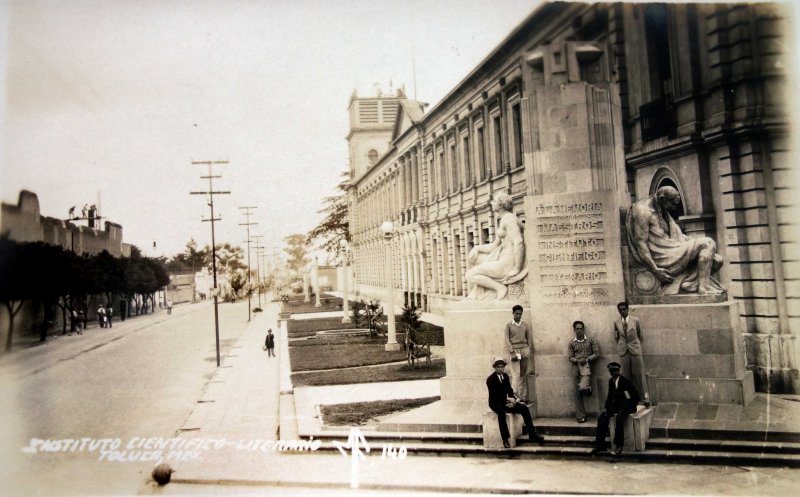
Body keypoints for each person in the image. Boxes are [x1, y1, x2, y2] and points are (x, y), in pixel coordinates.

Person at [626, 185, 724, 295]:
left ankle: (690, 283)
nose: (674, 207)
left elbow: (679, 235)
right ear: (662, 198)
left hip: (673, 248)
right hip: (661, 256)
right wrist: (655, 269)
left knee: (717, 260)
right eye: (672, 203)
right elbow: (640, 242)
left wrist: (691, 242)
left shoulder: (661, 209)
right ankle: (704, 287)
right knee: (708, 243)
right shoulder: (643, 211)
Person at [466, 192, 527, 300]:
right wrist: (477, 248)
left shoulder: (509, 219)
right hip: (502, 259)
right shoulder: (504, 219)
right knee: (476, 258)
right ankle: (482, 293)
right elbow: (494, 246)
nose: (492, 203)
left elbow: (519, 242)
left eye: (494, 201)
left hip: (507, 263)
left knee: (470, 275)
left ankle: (500, 288)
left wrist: (517, 268)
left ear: (501, 205)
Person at [486, 357, 544, 449]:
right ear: (495, 368)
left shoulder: (505, 376)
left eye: (502, 367)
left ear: (504, 367)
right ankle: (505, 439)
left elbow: (510, 391)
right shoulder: (490, 379)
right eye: (498, 367)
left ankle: (532, 434)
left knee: (524, 408)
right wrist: (508, 400)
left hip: (506, 401)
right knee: (501, 412)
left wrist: (513, 400)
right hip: (495, 403)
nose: (500, 369)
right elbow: (495, 396)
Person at [592, 362, 640, 455]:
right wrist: (606, 408)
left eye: (615, 371)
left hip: (628, 406)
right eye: (611, 372)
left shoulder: (625, 381)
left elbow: (636, 397)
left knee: (619, 418)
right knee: (602, 417)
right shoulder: (611, 381)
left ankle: (619, 445)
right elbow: (610, 396)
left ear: (619, 371)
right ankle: (600, 445)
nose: (613, 373)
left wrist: (628, 407)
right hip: (618, 406)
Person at [614, 301, 648, 405]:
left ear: (627, 309)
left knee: (639, 374)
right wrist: (622, 345)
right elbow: (616, 337)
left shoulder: (635, 320)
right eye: (620, 310)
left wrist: (634, 345)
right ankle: (628, 398)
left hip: (635, 349)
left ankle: (643, 397)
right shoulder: (616, 322)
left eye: (624, 309)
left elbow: (640, 335)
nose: (622, 311)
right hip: (624, 350)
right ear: (618, 311)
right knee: (625, 375)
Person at [567, 320, 599, 423]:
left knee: (583, 387)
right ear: (574, 330)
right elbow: (570, 357)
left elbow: (597, 353)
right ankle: (581, 416)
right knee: (577, 393)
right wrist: (577, 360)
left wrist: (587, 359)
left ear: (583, 329)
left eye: (581, 328)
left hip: (587, 367)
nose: (579, 330)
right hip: (576, 367)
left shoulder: (590, 340)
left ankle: (588, 389)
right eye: (577, 329)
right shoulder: (571, 343)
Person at [504, 304, 532, 402]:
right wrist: (512, 352)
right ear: (513, 313)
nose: (518, 316)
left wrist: (528, 349)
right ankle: (514, 397)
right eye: (516, 314)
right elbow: (506, 340)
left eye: (520, 314)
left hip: (524, 350)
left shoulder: (525, 325)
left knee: (523, 374)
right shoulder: (508, 325)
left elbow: (529, 338)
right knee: (515, 374)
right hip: (514, 350)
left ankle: (523, 397)